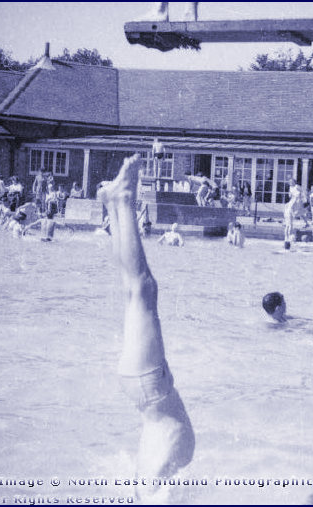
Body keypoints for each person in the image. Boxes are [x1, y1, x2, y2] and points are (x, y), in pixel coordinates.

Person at [97, 155, 195, 499]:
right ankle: (114, 205)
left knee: (142, 289)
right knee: (133, 291)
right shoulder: (151, 480)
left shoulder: (155, 482)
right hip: (144, 388)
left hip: (151, 387)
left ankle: (122, 201)